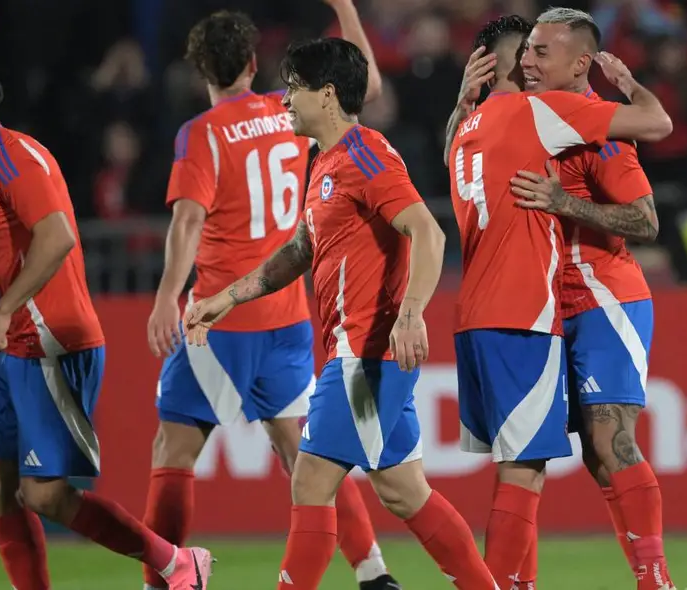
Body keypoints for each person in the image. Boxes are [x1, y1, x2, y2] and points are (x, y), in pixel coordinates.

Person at [185, 37, 500, 590]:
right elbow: (301, 249)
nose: (284, 99)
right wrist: (227, 296)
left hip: (366, 356)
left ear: (326, 95)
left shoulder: (365, 153)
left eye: (294, 87)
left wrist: (410, 315)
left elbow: (427, 230)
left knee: (310, 484)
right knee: (405, 492)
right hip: (361, 355)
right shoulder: (325, 162)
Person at [0, 55, 212, 590]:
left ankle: (175, 562)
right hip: (23, 347)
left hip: (52, 340)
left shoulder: (12, 160)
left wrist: (5, 308)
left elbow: (57, 237)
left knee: (45, 494)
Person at [144, 4, 400, 590]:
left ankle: (165, 581)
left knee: (174, 450)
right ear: (255, 62)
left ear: (198, 70)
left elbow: (187, 222)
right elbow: (372, 85)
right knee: (307, 455)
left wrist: (166, 298)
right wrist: (344, 10)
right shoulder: (287, 112)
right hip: (287, 317)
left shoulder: (202, 134)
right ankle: (374, 572)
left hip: (222, 315)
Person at [444, 15, 672, 590]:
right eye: (526, 54)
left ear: (578, 64)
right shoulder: (521, 116)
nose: (529, 64)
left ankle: (655, 579)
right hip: (540, 303)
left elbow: (645, 220)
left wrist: (564, 203)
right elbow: (462, 156)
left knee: (606, 441)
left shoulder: (601, 128)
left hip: (600, 296)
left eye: (541, 54)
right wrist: (463, 102)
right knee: (530, 460)